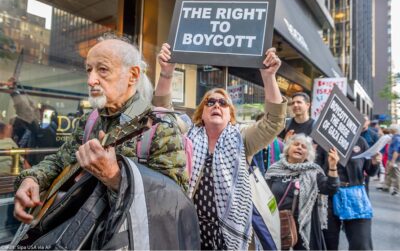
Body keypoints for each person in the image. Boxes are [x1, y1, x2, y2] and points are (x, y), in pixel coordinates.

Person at [12, 35, 199, 250]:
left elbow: (173, 201)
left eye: (102, 70)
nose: (91, 80)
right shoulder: (90, 120)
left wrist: (115, 177)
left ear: (133, 75)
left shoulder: (160, 127)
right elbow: (60, 160)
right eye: (88, 70)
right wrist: (32, 179)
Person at [156, 43, 287, 250]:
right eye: (210, 102)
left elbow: (273, 122)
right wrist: (166, 74)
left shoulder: (242, 138)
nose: (216, 105)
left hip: (228, 237)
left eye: (223, 103)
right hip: (189, 231)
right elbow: (162, 115)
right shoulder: (187, 134)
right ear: (201, 112)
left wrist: (269, 77)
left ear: (230, 115)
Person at [265, 134, 339, 250]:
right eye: (296, 144)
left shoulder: (313, 172)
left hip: (304, 229)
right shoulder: (274, 170)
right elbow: (265, 197)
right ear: (288, 149)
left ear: (307, 155)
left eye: (303, 147)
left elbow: (331, 188)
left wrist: (333, 167)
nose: (299, 147)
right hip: (278, 226)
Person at [317, 135, 380, 250]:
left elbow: (370, 170)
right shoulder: (324, 141)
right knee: (328, 244)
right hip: (329, 197)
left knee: (361, 244)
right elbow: (317, 169)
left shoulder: (360, 141)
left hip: (356, 197)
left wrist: (375, 163)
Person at [382, 124, 400, 196]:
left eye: (390, 129)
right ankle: (387, 186)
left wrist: (392, 161)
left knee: (396, 174)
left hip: (395, 160)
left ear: (393, 130)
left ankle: (397, 190)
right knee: (389, 173)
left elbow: (396, 151)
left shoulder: (397, 139)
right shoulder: (394, 138)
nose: (389, 130)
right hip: (392, 159)